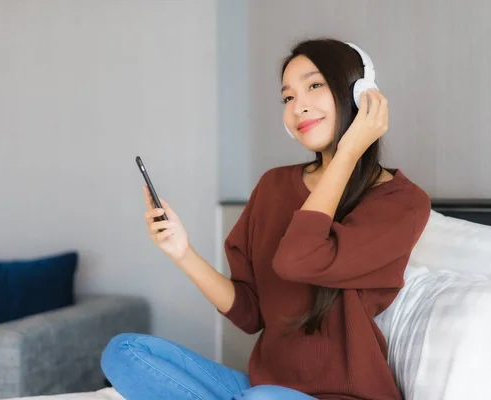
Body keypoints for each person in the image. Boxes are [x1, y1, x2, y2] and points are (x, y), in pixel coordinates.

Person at [100, 37, 431, 400]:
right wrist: (183, 252)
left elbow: (298, 259)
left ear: (362, 94)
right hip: (265, 389)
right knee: (124, 351)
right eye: (288, 97)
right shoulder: (274, 185)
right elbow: (249, 313)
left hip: (344, 395)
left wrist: (349, 151)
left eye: (314, 85)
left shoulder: (401, 202)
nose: (298, 107)